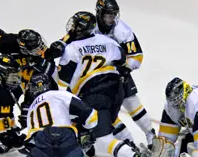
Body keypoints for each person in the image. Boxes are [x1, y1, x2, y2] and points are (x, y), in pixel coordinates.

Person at [57, 11, 154, 157]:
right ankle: (130, 143)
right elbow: (122, 58)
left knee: (103, 138)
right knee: (111, 118)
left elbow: (62, 79)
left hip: (94, 93)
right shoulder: (108, 41)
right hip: (116, 89)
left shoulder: (71, 48)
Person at [50, 0, 156, 147]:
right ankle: (128, 142)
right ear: (99, 13)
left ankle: (151, 134)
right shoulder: (89, 26)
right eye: (107, 16)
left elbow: (136, 55)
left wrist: (126, 69)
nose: (111, 19)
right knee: (106, 111)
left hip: (115, 70)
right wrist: (58, 47)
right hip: (93, 76)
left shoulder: (122, 30)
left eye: (113, 15)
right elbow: (67, 39)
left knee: (131, 101)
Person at [11, 74, 100, 157]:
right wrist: (84, 131)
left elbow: (26, 142)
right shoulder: (62, 95)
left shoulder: (31, 109)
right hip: (68, 141)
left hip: (42, 144)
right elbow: (91, 116)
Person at [0, 27, 58, 152]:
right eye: (36, 50)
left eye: (40, 47)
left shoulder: (43, 52)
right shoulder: (6, 41)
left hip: (32, 77)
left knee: (34, 106)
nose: (40, 51)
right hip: (11, 77)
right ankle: (9, 136)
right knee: (4, 105)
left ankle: (33, 134)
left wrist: (28, 103)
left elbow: (47, 72)